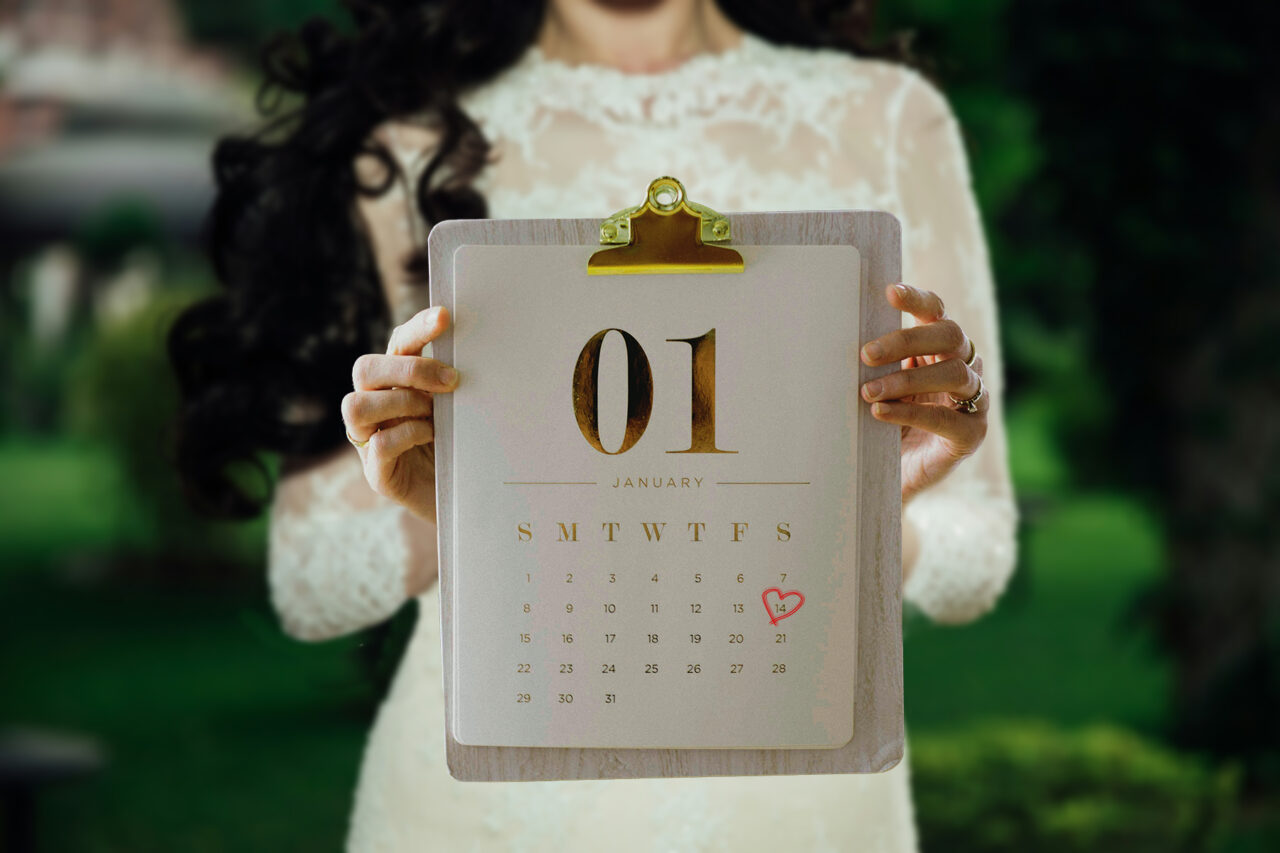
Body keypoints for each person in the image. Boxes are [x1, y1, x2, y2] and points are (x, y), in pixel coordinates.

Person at [170, 1, 1017, 849]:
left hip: (800, 783)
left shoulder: (890, 115)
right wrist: (468, 501)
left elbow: (973, 557)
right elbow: (310, 579)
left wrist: (867, 503)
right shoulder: (406, 142)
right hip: (487, 792)